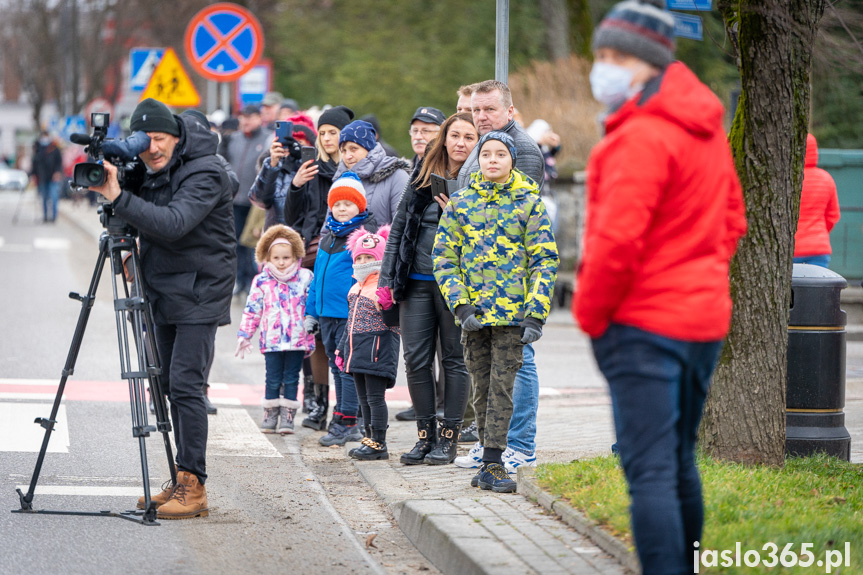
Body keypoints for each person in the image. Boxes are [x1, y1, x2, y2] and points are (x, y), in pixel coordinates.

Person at [573, 1, 747, 571]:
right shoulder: (704, 130)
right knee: (676, 461)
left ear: (649, 63)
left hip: (643, 323)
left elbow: (615, 243)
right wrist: (697, 271)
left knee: (647, 471)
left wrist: (592, 316)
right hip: (701, 319)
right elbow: (732, 222)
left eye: (617, 57)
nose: (604, 68)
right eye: (600, 55)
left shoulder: (640, 137)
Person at [90, 98, 237, 520]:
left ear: (176, 135)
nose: (153, 148)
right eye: (145, 141)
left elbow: (173, 222)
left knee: (187, 386)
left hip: (199, 291)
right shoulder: (152, 170)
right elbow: (140, 215)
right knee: (166, 386)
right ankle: (180, 476)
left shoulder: (206, 171)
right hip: (161, 289)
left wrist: (119, 195)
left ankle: (195, 486)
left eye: (160, 138)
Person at [434, 130, 558, 493]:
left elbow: (544, 261)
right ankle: (487, 462)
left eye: (499, 155)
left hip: (512, 318)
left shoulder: (528, 203)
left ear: (511, 161)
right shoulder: (461, 204)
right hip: (474, 317)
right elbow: (444, 258)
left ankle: (493, 461)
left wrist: (535, 314)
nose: (491, 160)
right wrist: (461, 305)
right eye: (485, 154)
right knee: (482, 386)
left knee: (504, 388)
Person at [453, 80, 546, 472]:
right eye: (476, 110)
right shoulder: (483, 143)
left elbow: (514, 214)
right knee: (491, 369)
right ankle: (494, 443)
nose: (481, 117)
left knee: (519, 363)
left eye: (489, 110)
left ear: (510, 111)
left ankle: (520, 444)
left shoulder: (520, 148)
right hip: (480, 279)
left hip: (511, 282)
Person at [379, 112, 478, 465]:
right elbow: (399, 229)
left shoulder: (482, 180)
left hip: (458, 288)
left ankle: (449, 438)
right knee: (416, 360)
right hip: (416, 281)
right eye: (455, 136)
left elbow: (492, 240)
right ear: (445, 138)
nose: (461, 143)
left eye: (469, 137)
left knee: (454, 361)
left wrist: (460, 215)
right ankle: (425, 437)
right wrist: (386, 281)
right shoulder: (422, 173)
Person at [285, 104, 355, 421]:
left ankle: (347, 407)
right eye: (323, 132)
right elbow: (292, 217)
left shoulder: (354, 169)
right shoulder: (310, 168)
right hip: (311, 257)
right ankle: (317, 402)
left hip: (345, 258)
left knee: (342, 334)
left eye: (333, 132)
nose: (327, 138)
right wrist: (296, 186)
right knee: (313, 334)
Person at [303, 172, 379, 445]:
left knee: (346, 368)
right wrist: (311, 312)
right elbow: (316, 281)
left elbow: (368, 276)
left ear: (360, 206)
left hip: (348, 314)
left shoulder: (361, 240)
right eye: (337, 203)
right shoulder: (326, 239)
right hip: (326, 315)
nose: (342, 208)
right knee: (336, 368)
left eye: (349, 203)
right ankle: (344, 415)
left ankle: (348, 420)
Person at [236, 225, 315, 434]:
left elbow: (313, 305)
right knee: (272, 377)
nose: (281, 262)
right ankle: (270, 414)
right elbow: (252, 309)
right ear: (267, 258)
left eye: (286, 258)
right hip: (272, 340)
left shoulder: (305, 278)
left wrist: (314, 325)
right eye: (276, 258)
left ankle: (288, 416)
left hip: (297, 340)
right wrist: (245, 335)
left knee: (291, 377)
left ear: (295, 256)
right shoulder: (262, 280)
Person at [334, 225, 399, 460]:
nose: (363, 261)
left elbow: (396, 324)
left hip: (377, 350)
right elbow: (349, 323)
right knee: (363, 401)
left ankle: (379, 442)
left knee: (375, 398)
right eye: (359, 257)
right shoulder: (355, 288)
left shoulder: (384, 287)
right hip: (357, 351)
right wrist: (341, 349)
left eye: (369, 257)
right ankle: (368, 438)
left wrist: (390, 305)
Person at [225, 104, 272, 297]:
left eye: (250, 117)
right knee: (235, 242)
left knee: (252, 243)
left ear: (259, 118)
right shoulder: (234, 139)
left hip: (255, 202)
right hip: (235, 199)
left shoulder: (266, 138)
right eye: (243, 117)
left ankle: (253, 280)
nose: (246, 121)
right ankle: (240, 279)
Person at [331, 120, 410, 225]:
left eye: (353, 149)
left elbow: (402, 226)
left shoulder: (397, 176)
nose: (347, 156)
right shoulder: (340, 180)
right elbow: (327, 230)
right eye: (344, 151)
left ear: (369, 149)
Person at [793, 133, 840, 267]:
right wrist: (817, 232)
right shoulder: (826, 179)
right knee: (817, 286)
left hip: (789, 248)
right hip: (818, 248)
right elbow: (833, 216)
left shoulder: (787, 180)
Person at [30, 131, 64, 223]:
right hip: (42, 177)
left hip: (53, 177)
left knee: (54, 196)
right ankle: (45, 216)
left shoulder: (54, 148)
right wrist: (33, 175)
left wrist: (58, 172)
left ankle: (53, 217)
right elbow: (35, 163)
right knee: (44, 197)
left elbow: (59, 162)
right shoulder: (38, 149)